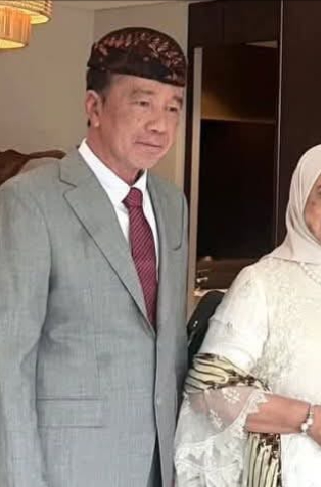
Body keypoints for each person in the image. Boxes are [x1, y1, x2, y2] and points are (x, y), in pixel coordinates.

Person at [0, 27, 188, 487]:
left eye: (173, 108)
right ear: (94, 107)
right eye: (143, 103)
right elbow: (8, 362)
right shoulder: (30, 201)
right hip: (69, 467)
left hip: (161, 463)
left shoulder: (171, 203)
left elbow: (168, 346)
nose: (161, 125)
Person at [174, 143, 321, 486]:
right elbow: (209, 390)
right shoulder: (261, 282)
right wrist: (309, 420)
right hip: (286, 473)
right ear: (302, 196)